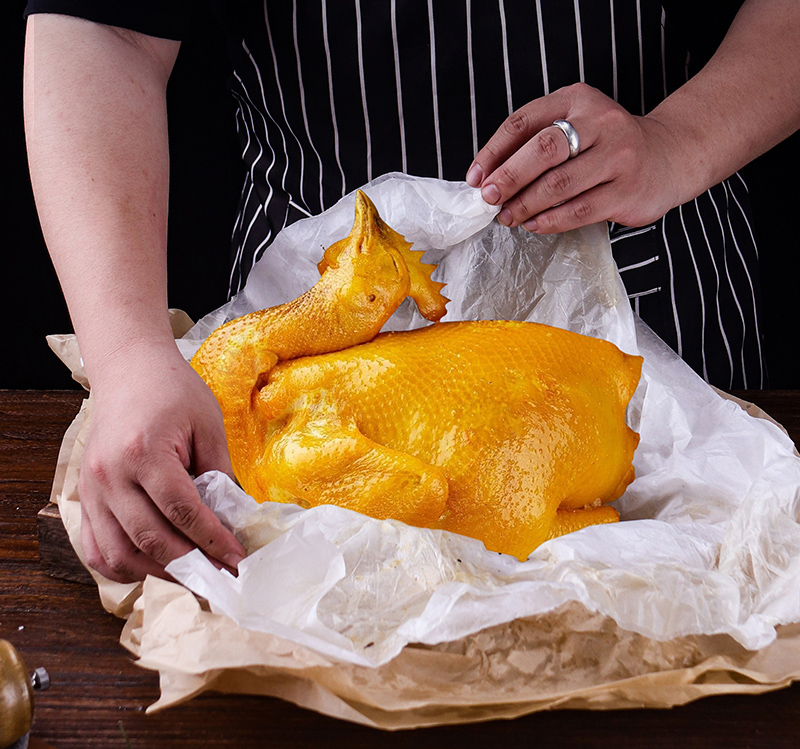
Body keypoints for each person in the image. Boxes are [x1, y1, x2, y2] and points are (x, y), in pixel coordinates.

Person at [22, 1, 800, 583]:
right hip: (313, 313)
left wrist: (681, 138)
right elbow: (108, 27)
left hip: (653, 316)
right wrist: (127, 355)